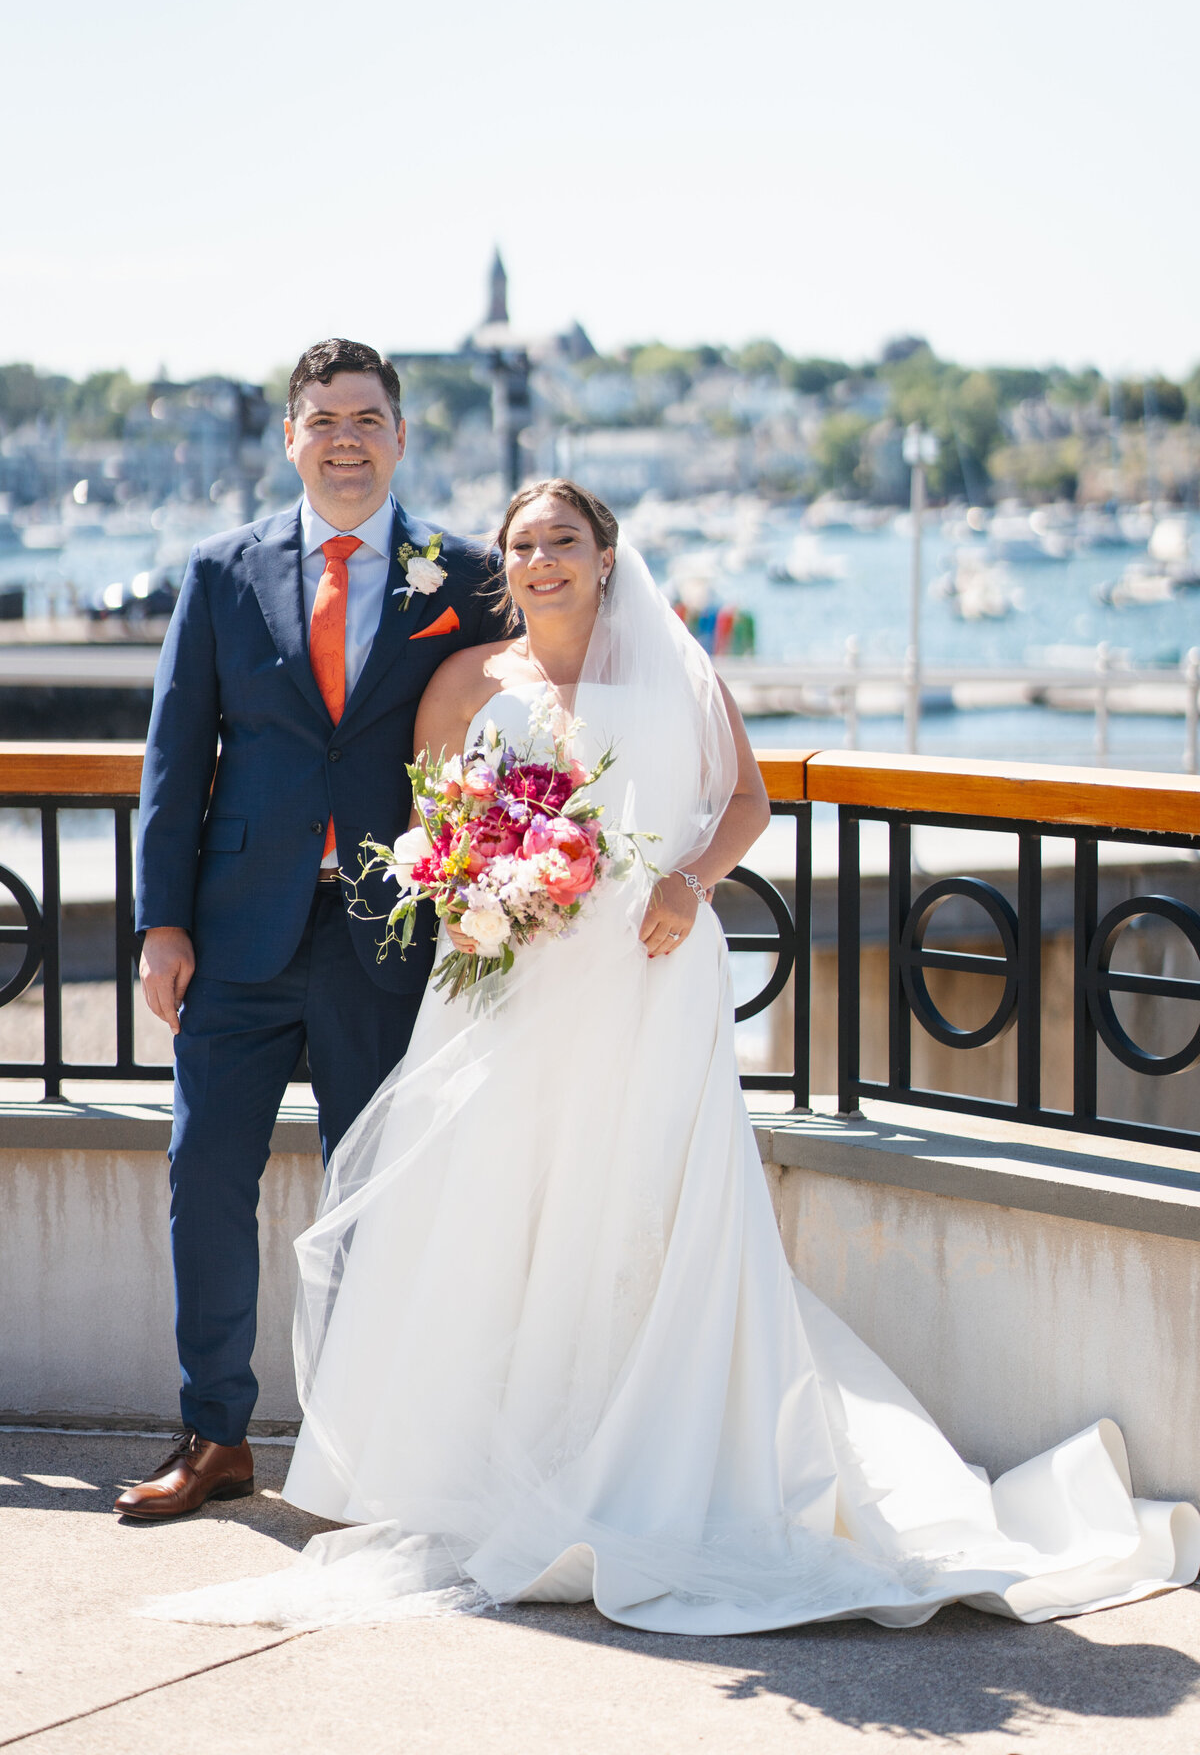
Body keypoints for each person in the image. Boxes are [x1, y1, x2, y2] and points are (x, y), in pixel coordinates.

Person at [148, 479, 1200, 1632]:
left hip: (646, 978)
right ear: (502, 566)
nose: (543, 559)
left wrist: (690, 885)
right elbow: (427, 827)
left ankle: (638, 1459)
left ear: (606, 557)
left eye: (564, 541)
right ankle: (487, 1464)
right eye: (523, 544)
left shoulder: (676, 671)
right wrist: (466, 892)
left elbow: (744, 797)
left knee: (636, 1208)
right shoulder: (463, 682)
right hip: (505, 984)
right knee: (504, 1212)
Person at [117, 339, 509, 1522]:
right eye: (324, 418)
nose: (346, 437)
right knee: (205, 1179)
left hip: (389, 938)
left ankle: (368, 1443)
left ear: (401, 436)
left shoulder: (468, 575)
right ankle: (214, 1433)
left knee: (378, 1190)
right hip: (236, 936)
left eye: (368, 417)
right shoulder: (221, 575)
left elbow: (509, 741)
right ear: (290, 438)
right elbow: (176, 762)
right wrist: (163, 925)